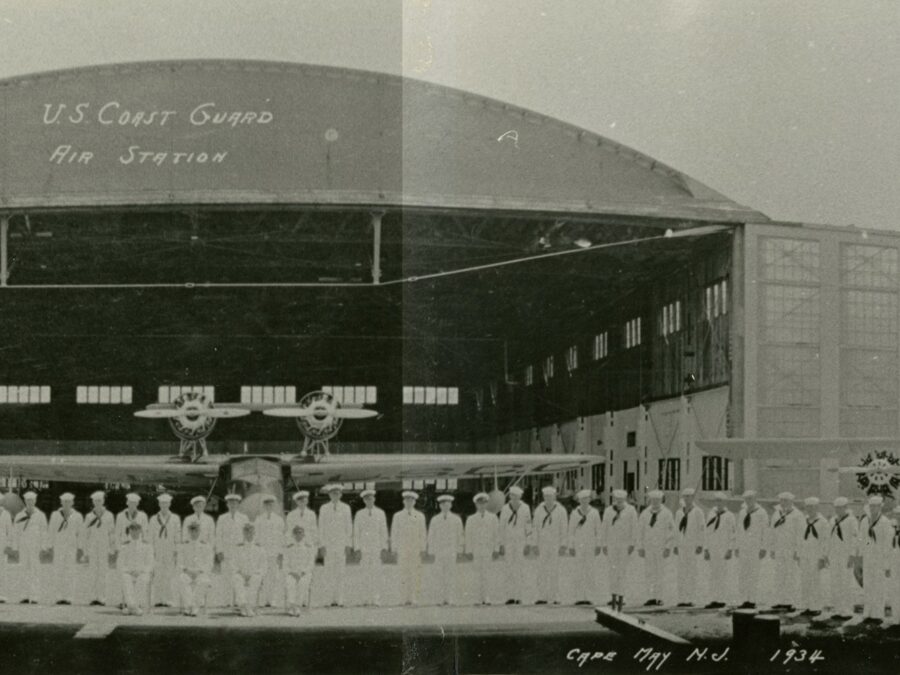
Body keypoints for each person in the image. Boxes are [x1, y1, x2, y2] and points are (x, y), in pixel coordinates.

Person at [858, 494, 893, 623]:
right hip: (868, 558)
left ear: (880, 507)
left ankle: (877, 614)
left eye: (876, 506)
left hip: (880, 559)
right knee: (868, 585)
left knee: (879, 586)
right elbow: (862, 540)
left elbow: (887, 544)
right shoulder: (864, 521)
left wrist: (886, 563)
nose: (873, 508)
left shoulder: (885, 522)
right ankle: (868, 612)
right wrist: (862, 554)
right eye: (871, 506)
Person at [768, 491, 804, 611]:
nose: (783, 503)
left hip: (791, 550)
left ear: (791, 502)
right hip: (779, 549)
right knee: (779, 575)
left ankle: (790, 601)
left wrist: (798, 551)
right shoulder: (776, 514)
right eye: (781, 500)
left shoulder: (797, 515)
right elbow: (772, 532)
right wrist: (772, 548)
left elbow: (800, 535)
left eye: (786, 501)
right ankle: (779, 600)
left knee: (791, 575)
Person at [637, 490, 674, 607]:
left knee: (660, 573)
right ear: (650, 500)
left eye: (657, 500)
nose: (655, 502)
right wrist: (640, 547)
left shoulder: (667, 513)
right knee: (649, 572)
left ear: (661, 500)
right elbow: (640, 531)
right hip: (648, 547)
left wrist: (668, 547)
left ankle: (659, 597)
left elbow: (671, 531)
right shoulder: (644, 514)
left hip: (661, 547)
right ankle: (650, 597)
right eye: (653, 500)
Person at [352, 488, 388, 606]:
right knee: (364, 573)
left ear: (374, 499)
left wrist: (384, 547)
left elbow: (383, 532)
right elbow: (356, 532)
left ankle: (375, 598)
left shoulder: (380, 513)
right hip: (364, 548)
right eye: (366, 499)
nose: (369, 501)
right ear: (363, 500)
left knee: (376, 573)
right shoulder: (359, 514)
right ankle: (365, 599)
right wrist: (357, 548)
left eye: (371, 498)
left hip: (376, 547)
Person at [533, 486, 568, 605]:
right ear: (543, 497)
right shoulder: (539, 510)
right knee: (541, 570)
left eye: (550, 496)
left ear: (555, 496)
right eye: (546, 496)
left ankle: (555, 596)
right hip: (542, 544)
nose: (548, 499)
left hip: (555, 544)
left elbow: (564, 529)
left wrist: (563, 545)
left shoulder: (561, 510)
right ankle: (542, 596)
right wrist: (535, 544)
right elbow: (535, 528)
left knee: (555, 571)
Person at [318, 484, 353, 607]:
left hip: (341, 544)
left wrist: (348, 544)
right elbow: (321, 527)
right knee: (329, 572)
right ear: (329, 495)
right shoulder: (324, 508)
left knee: (340, 572)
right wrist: (321, 545)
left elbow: (349, 527)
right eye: (333, 493)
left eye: (337, 493)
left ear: (341, 495)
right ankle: (329, 599)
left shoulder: (346, 508)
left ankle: (339, 599)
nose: (335, 495)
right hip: (328, 545)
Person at [391, 490, 427, 606]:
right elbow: (394, 533)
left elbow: (423, 533)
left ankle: (413, 598)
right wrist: (394, 549)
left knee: (414, 574)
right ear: (403, 501)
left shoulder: (420, 516)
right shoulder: (397, 516)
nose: (409, 502)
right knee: (402, 573)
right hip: (402, 548)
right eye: (407, 500)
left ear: (415, 502)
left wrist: (423, 548)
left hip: (415, 549)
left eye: (411, 500)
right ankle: (403, 598)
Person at [427, 494, 464, 606]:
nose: (445, 506)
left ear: (451, 505)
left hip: (451, 550)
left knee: (450, 575)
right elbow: (431, 535)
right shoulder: (435, 519)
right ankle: (440, 598)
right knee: (439, 575)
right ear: (440, 506)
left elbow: (460, 535)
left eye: (447, 503)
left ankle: (450, 598)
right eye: (443, 504)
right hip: (439, 551)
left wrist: (459, 549)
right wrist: (431, 550)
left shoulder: (456, 519)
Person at [602, 489, 637, 609]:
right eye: (617, 500)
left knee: (622, 571)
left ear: (625, 499)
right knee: (612, 571)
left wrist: (632, 544)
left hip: (624, 545)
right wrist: (604, 544)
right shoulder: (608, 511)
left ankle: (622, 595)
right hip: (612, 544)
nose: (619, 502)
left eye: (621, 500)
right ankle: (612, 595)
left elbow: (634, 528)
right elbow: (604, 528)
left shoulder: (630, 510)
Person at [47, 492, 83, 605]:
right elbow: (51, 531)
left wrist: (80, 548)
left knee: (70, 571)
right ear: (61, 502)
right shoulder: (55, 515)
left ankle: (69, 596)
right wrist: (50, 546)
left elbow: (80, 533)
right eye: (64, 501)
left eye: (69, 501)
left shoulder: (77, 516)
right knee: (58, 571)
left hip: (71, 547)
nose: (66, 504)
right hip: (59, 546)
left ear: (72, 502)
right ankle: (59, 596)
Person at [735, 490, 769, 609]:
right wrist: (737, 546)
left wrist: (763, 547)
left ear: (755, 499)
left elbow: (765, 531)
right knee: (743, 574)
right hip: (743, 547)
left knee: (753, 573)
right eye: (746, 499)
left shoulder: (761, 513)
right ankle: (744, 599)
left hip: (755, 548)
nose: (748, 501)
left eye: (750, 498)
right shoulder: (742, 512)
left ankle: (752, 599)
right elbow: (739, 530)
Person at [215, 492, 249, 610]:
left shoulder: (244, 518)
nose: (233, 505)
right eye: (230, 503)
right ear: (227, 504)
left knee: (238, 576)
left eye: (235, 503)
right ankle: (226, 601)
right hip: (226, 551)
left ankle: (238, 601)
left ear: (238, 504)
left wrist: (246, 550)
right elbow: (218, 535)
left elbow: (247, 535)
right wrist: (219, 551)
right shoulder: (222, 518)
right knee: (226, 576)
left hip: (239, 552)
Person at [826, 496, 858, 620]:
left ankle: (847, 609)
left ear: (846, 508)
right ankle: (837, 608)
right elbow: (829, 538)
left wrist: (852, 555)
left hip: (846, 555)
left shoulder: (851, 520)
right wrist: (827, 554)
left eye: (841, 508)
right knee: (835, 582)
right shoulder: (833, 520)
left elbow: (855, 539)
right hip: (834, 555)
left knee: (845, 582)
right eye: (836, 508)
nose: (838, 510)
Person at [498, 485, 531, 605]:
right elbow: (501, 527)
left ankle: (519, 595)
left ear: (520, 497)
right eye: (512, 496)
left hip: (520, 541)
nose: (514, 498)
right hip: (508, 542)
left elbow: (528, 526)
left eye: (516, 496)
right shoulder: (505, 509)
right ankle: (510, 596)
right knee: (509, 568)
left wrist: (528, 543)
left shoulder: (525, 508)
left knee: (520, 568)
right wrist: (501, 544)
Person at [568, 489, 601, 606]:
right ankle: (579, 596)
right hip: (578, 545)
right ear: (579, 501)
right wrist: (571, 546)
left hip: (590, 545)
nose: (584, 501)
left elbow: (598, 531)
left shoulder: (594, 513)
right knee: (578, 571)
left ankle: (589, 596)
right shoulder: (574, 513)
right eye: (582, 499)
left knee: (590, 571)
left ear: (589, 500)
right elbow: (571, 531)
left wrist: (598, 545)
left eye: (586, 499)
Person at [13, 491, 47, 604]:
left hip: (35, 547)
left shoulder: (40, 515)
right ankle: (24, 595)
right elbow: (16, 533)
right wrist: (15, 548)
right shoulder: (19, 516)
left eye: (32, 500)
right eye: (27, 500)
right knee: (23, 570)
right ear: (24, 501)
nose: (30, 502)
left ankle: (35, 596)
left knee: (35, 571)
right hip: (23, 546)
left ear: (35, 501)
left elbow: (44, 532)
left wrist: (43, 547)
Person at [465, 492, 499, 605]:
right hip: (476, 550)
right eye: (479, 503)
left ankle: (487, 597)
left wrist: (496, 549)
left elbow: (496, 535)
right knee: (476, 574)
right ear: (476, 505)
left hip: (488, 550)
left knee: (487, 574)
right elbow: (468, 536)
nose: (482, 506)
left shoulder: (493, 518)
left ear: (487, 504)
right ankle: (477, 597)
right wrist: (468, 551)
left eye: (484, 503)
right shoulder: (471, 519)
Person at [115, 493, 148, 608]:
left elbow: (145, 532)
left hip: (138, 546)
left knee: (138, 572)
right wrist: (118, 547)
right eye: (130, 503)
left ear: (137, 504)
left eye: (135, 503)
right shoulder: (120, 515)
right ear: (127, 503)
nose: (132, 505)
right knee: (124, 573)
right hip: (125, 546)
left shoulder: (142, 516)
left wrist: (143, 545)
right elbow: (117, 532)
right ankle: (123, 601)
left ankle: (136, 602)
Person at [796, 497, 828, 617]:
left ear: (817, 508)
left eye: (813, 507)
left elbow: (825, 541)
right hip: (804, 554)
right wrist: (798, 554)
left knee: (815, 581)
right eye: (808, 507)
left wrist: (822, 558)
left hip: (816, 555)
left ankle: (816, 607)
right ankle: (807, 606)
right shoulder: (802, 521)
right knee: (805, 581)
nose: (810, 509)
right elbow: (799, 539)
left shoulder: (823, 522)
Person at [82, 490, 115, 606]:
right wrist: (85, 552)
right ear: (93, 502)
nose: (97, 503)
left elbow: (111, 533)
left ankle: (102, 597)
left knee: (103, 572)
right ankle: (92, 597)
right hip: (92, 547)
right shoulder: (89, 516)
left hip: (104, 546)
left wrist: (112, 548)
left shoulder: (109, 515)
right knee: (92, 572)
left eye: (99, 500)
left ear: (103, 501)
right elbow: (85, 535)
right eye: (95, 501)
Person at [703, 491, 735, 609]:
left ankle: (721, 599)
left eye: (721, 501)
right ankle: (713, 599)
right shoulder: (711, 514)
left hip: (723, 548)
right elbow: (707, 533)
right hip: (712, 548)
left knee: (722, 574)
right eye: (717, 501)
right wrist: (706, 549)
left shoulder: (729, 515)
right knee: (713, 574)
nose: (718, 503)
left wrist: (730, 549)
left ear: (725, 502)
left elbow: (732, 534)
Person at [148, 493, 181, 608]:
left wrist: (177, 550)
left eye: (166, 503)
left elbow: (178, 535)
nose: (164, 505)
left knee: (169, 575)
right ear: (159, 504)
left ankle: (168, 599)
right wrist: (151, 551)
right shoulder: (153, 519)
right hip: (157, 549)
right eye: (162, 503)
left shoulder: (175, 518)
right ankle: (158, 599)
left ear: (170, 504)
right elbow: (150, 536)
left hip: (170, 550)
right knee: (158, 574)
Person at [674, 487, 705, 607]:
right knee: (681, 572)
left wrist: (700, 544)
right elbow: (677, 530)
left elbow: (701, 529)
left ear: (693, 498)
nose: (687, 499)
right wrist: (676, 545)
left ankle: (690, 598)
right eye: (685, 497)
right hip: (682, 546)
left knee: (691, 572)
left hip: (692, 545)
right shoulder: (679, 512)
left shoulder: (698, 512)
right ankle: (682, 598)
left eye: (689, 497)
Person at [177, 521, 214, 616]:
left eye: (196, 531)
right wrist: (187, 570)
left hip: (200, 572)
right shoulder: (183, 545)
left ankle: (194, 606)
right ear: (188, 532)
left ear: (199, 532)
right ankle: (189, 606)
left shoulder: (206, 546)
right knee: (182, 579)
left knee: (204, 581)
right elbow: (179, 562)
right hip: (187, 572)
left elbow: (209, 563)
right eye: (191, 531)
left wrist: (199, 571)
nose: (194, 533)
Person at [256, 494, 285, 608]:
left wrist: (281, 553)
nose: (269, 506)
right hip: (262, 553)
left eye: (271, 504)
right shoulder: (259, 519)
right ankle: (263, 600)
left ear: (274, 506)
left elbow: (281, 537)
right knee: (262, 576)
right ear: (264, 506)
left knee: (273, 577)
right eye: (266, 504)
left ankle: (272, 600)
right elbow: (256, 537)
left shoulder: (279, 520)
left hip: (274, 552)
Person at [118, 523, 154, 615]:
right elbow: (120, 563)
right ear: (129, 531)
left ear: (140, 531)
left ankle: (132, 607)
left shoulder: (147, 546)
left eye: (136, 530)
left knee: (142, 579)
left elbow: (150, 563)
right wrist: (129, 571)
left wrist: (140, 570)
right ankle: (133, 606)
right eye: (132, 530)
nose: (134, 533)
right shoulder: (124, 546)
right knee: (125, 578)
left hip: (142, 572)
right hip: (129, 572)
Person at [233, 523, 267, 617]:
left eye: (251, 533)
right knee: (237, 579)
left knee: (255, 579)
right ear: (243, 533)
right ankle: (244, 606)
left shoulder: (260, 548)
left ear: (254, 533)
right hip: (241, 574)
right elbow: (234, 564)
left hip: (254, 574)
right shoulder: (238, 548)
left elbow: (263, 566)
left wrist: (254, 574)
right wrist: (242, 574)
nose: (249, 535)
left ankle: (248, 606)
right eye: (247, 532)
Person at [284, 525, 316, 616]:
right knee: (290, 582)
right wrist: (292, 573)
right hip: (292, 573)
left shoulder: (309, 548)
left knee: (303, 582)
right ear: (293, 535)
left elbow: (310, 564)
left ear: (304, 535)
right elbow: (285, 564)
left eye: (300, 533)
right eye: (296, 533)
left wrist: (303, 572)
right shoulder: (289, 548)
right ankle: (291, 606)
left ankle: (297, 606)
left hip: (304, 573)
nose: (299, 535)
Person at [888, 505, 900, 628]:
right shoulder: (892, 528)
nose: (899, 517)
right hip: (894, 561)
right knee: (895, 589)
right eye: (897, 514)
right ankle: (896, 618)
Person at [0, 498, 11, 603]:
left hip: (2, 545)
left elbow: (10, 531)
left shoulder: (6, 514)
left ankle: (2, 595)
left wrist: (8, 545)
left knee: (2, 570)